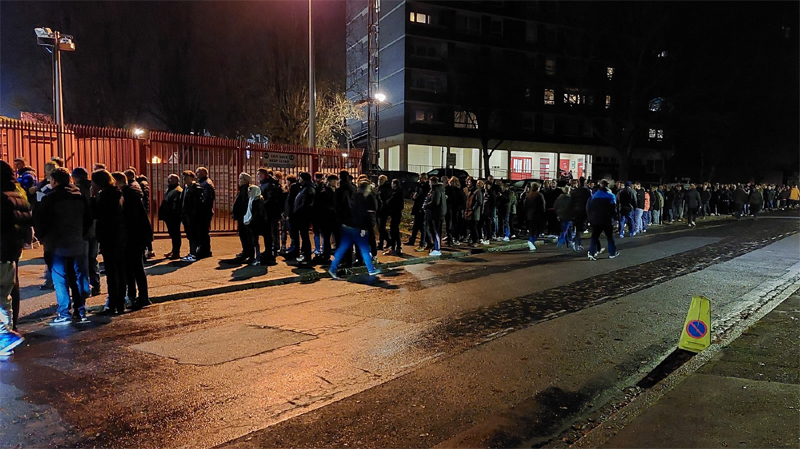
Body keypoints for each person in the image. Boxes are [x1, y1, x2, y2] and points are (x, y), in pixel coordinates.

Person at [34, 167, 92, 324]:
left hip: (57, 243)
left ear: (54, 181)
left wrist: (43, 237)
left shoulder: (51, 198)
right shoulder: (79, 197)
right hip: (77, 241)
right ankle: (80, 310)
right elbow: (88, 219)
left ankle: (64, 313)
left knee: (60, 278)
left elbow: (40, 220)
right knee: (77, 277)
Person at [1, 160, 31, 354]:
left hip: (1, 250)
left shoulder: (2, 199)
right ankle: (5, 335)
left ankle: (5, 335)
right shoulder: (17, 195)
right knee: (4, 296)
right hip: (10, 253)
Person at [328, 180, 381, 279]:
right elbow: (361, 214)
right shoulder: (361, 198)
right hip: (355, 227)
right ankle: (371, 269)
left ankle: (333, 268)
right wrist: (364, 227)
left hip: (348, 225)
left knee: (344, 248)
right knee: (363, 248)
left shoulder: (354, 196)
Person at [114, 172, 152, 310]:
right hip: (137, 236)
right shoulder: (132, 193)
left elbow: (130, 219)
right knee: (135, 268)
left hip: (133, 237)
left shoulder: (127, 195)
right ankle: (138, 296)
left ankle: (141, 297)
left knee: (135, 268)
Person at [71, 167, 101, 295]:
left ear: (75, 177)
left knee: (82, 261)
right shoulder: (94, 188)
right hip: (95, 227)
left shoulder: (76, 190)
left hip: (82, 228)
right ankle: (96, 284)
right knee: (93, 259)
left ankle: (84, 288)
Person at [587, 180, 620, 260]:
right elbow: (613, 210)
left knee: (594, 237)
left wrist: (590, 218)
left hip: (596, 219)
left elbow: (590, 208)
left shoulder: (594, 196)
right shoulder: (611, 196)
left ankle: (591, 252)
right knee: (609, 237)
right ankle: (612, 253)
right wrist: (616, 219)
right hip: (606, 219)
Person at [180, 171, 204, 262]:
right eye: (184, 177)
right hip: (186, 215)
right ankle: (192, 253)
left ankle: (193, 253)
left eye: (186, 177)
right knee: (190, 235)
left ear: (192, 178)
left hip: (192, 216)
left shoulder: (195, 188)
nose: (184, 179)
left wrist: (193, 214)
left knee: (193, 235)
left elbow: (197, 204)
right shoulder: (186, 188)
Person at [293, 172, 315, 265]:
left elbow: (305, 204)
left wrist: (297, 211)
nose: (299, 179)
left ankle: (307, 257)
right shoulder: (306, 188)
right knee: (304, 236)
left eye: (300, 178)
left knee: (305, 237)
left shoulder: (308, 189)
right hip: (303, 216)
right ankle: (306, 255)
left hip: (304, 216)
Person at [158, 174, 183, 259]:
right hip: (169, 216)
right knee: (173, 234)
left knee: (175, 234)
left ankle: (176, 252)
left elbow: (176, 205)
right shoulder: (171, 189)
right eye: (168, 178)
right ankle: (174, 250)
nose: (169, 180)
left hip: (173, 217)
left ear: (177, 180)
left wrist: (173, 214)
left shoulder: (177, 190)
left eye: (171, 179)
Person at [232, 172, 254, 262]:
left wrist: (241, 213)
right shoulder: (242, 190)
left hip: (244, 216)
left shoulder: (246, 190)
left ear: (246, 180)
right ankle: (246, 251)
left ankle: (247, 253)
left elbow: (244, 204)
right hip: (242, 216)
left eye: (241, 179)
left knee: (246, 235)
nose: (239, 181)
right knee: (243, 235)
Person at [244, 185, 268, 265]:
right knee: (253, 241)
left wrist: (250, 220)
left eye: (250, 191)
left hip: (256, 224)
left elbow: (257, 214)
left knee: (255, 241)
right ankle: (254, 257)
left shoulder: (257, 201)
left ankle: (256, 258)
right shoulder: (252, 199)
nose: (249, 192)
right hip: (254, 223)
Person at [423, 176, 446, 256]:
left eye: (430, 182)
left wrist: (426, 205)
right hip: (436, 214)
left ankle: (437, 248)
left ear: (432, 182)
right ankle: (436, 247)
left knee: (435, 231)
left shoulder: (436, 190)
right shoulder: (437, 190)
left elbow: (435, 202)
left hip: (435, 214)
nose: (429, 184)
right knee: (435, 231)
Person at [195, 167, 215, 258]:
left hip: (204, 212)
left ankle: (205, 250)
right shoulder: (204, 182)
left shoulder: (206, 184)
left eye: (198, 172)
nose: (196, 174)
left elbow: (206, 199)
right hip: (205, 211)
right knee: (202, 231)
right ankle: (203, 249)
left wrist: (200, 207)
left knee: (203, 231)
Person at [407, 173, 430, 249]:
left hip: (422, 208)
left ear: (425, 179)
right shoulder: (418, 185)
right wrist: (414, 196)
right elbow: (416, 195)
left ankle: (423, 242)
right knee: (416, 225)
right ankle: (412, 240)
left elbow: (424, 197)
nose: (420, 180)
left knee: (422, 226)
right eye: (420, 178)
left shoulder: (427, 187)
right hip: (417, 207)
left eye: (421, 178)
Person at [568, 177, 591, 251]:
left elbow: (571, 201)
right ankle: (577, 243)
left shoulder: (574, 191)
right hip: (583, 211)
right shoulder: (587, 191)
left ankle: (576, 242)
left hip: (575, 211)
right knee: (581, 228)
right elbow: (590, 201)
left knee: (577, 228)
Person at [384, 178, 405, 256]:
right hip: (396, 213)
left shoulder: (396, 193)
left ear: (395, 184)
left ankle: (394, 248)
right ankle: (397, 247)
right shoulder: (398, 193)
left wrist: (387, 202)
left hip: (395, 213)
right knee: (395, 230)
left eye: (392, 184)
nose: (391, 185)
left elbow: (390, 202)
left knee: (394, 231)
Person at [525, 182, 545, 251]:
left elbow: (525, 205)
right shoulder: (539, 195)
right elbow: (542, 206)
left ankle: (531, 241)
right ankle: (531, 241)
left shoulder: (528, 195)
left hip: (530, 215)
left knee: (532, 229)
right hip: (537, 215)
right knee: (538, 230)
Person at [464, 177, 483, 246]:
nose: (467, 184)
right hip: (469, 211)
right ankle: (472, 240)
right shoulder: (470, 191)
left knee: (474, 227)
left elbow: (479, 202)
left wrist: (473, 209)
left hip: (475, 213)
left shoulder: (477, 192)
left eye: (469, 182)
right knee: (471, 227)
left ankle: (475, 241)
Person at [376, 175, 392, 250]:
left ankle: (382, 243)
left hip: (384, 211)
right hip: (379, 210)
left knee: (381, 228)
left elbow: (384, 200)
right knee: (380, 228)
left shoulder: (386, 189)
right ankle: (388, 241)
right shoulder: (379, 188)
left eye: (381, 179)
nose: (380, 181)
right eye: (379, 179)